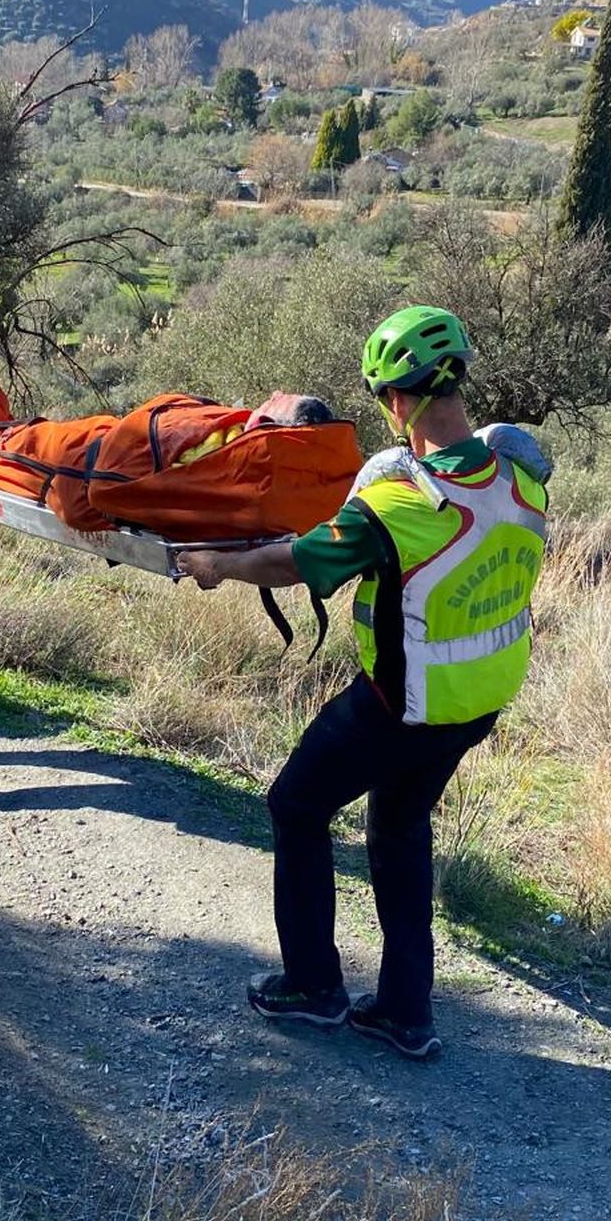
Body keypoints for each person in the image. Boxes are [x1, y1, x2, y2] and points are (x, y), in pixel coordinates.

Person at [176, 306, 548, 1061]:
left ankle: (315, 987)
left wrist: (218, 563)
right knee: (400, 827)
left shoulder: (406, 501)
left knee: (296, 802)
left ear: (400, 402)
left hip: (400, 704)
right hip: (477, 699)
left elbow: (297, 563)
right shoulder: (519, 474)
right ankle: (407, 1012)